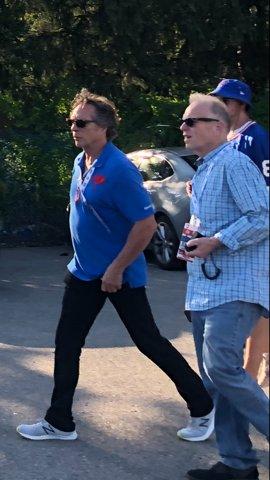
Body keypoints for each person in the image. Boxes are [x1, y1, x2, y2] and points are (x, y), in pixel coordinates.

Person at [17, 89, 214, 442]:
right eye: (70, 121)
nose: (73, 128)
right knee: (67, 344)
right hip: (83, 272)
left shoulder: (120, 169)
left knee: (149, 342)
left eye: (81, 122)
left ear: (104, 127)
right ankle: (59, 421)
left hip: (117, 275)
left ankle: (203, 406)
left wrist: (117, 269)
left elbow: (146, 226)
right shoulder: (82, 161)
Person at [180, 93, 269, 480]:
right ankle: (237, 464)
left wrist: (218, 241)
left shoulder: (233, 161)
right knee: (219, 374)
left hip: (236, 287)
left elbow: (264, 214)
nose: (183, 127)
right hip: (206, 287)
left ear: (219, 127)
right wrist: (196, 241)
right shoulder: (206, 168)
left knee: (221, 368)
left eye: (191, 122)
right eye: (183, 122)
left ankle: (238, 459)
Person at [210, 78, 269, 388]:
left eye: (225, 101)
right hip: (235, 235)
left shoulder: (255, 139)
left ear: (240, 105)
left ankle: (249, 374)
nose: (220, 106)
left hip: (257, 235)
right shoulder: (227, 139)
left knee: (256, 304)